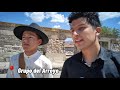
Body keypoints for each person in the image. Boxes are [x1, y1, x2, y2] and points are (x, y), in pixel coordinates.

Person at [60, 12, 120, 78]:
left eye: (81, 28)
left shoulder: (117, 61)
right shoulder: (69, 64)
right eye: (72, 30)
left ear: (97, 31)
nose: (74, 34)